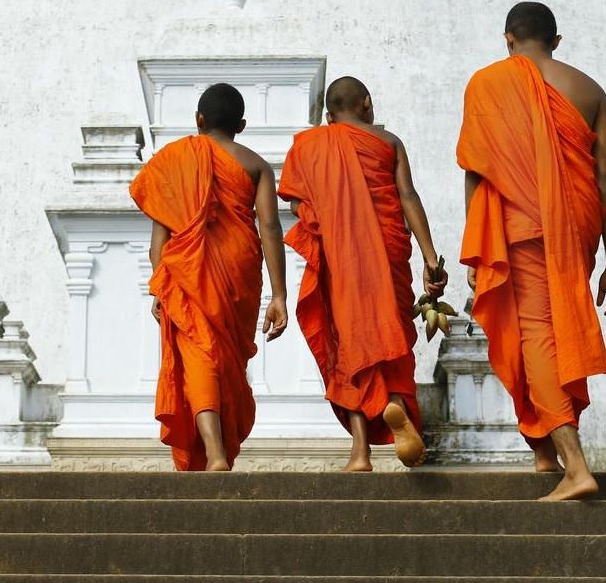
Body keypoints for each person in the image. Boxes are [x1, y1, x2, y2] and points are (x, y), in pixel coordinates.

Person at [458, 2, 606, 500]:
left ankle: (576, 466)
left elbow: (477, 169)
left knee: (536, 336)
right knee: (555, 331)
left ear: (508, 39)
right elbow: (605, 177)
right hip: (575, 226)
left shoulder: (487, 83)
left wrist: (476, 243)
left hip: (521, 226)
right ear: (556, 40)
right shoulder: (590, 90)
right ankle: (544, 451)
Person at [278, 76, 447, 471]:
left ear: (328, 116)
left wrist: (328, 215)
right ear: (367, 103)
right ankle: (393, 401)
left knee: (348, 343)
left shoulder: (308, 146)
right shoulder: (389, 142)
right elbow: (407, 197)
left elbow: (297, 206)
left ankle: (359, 453)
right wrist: (430, 258)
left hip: (340, 259)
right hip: (387, 254)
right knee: (390, 334)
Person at [129, 82, 289, 471]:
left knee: (200, 353)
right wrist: (280, 296)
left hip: (188, 270)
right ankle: (218, 450)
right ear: (242, 125)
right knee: (224, 358)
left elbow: (160, 238)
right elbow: (270, 228)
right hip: (239, 268)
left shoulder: (174, 160)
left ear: (198, 120)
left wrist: (162, 285)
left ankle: (215, 451)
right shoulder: (256, 165)